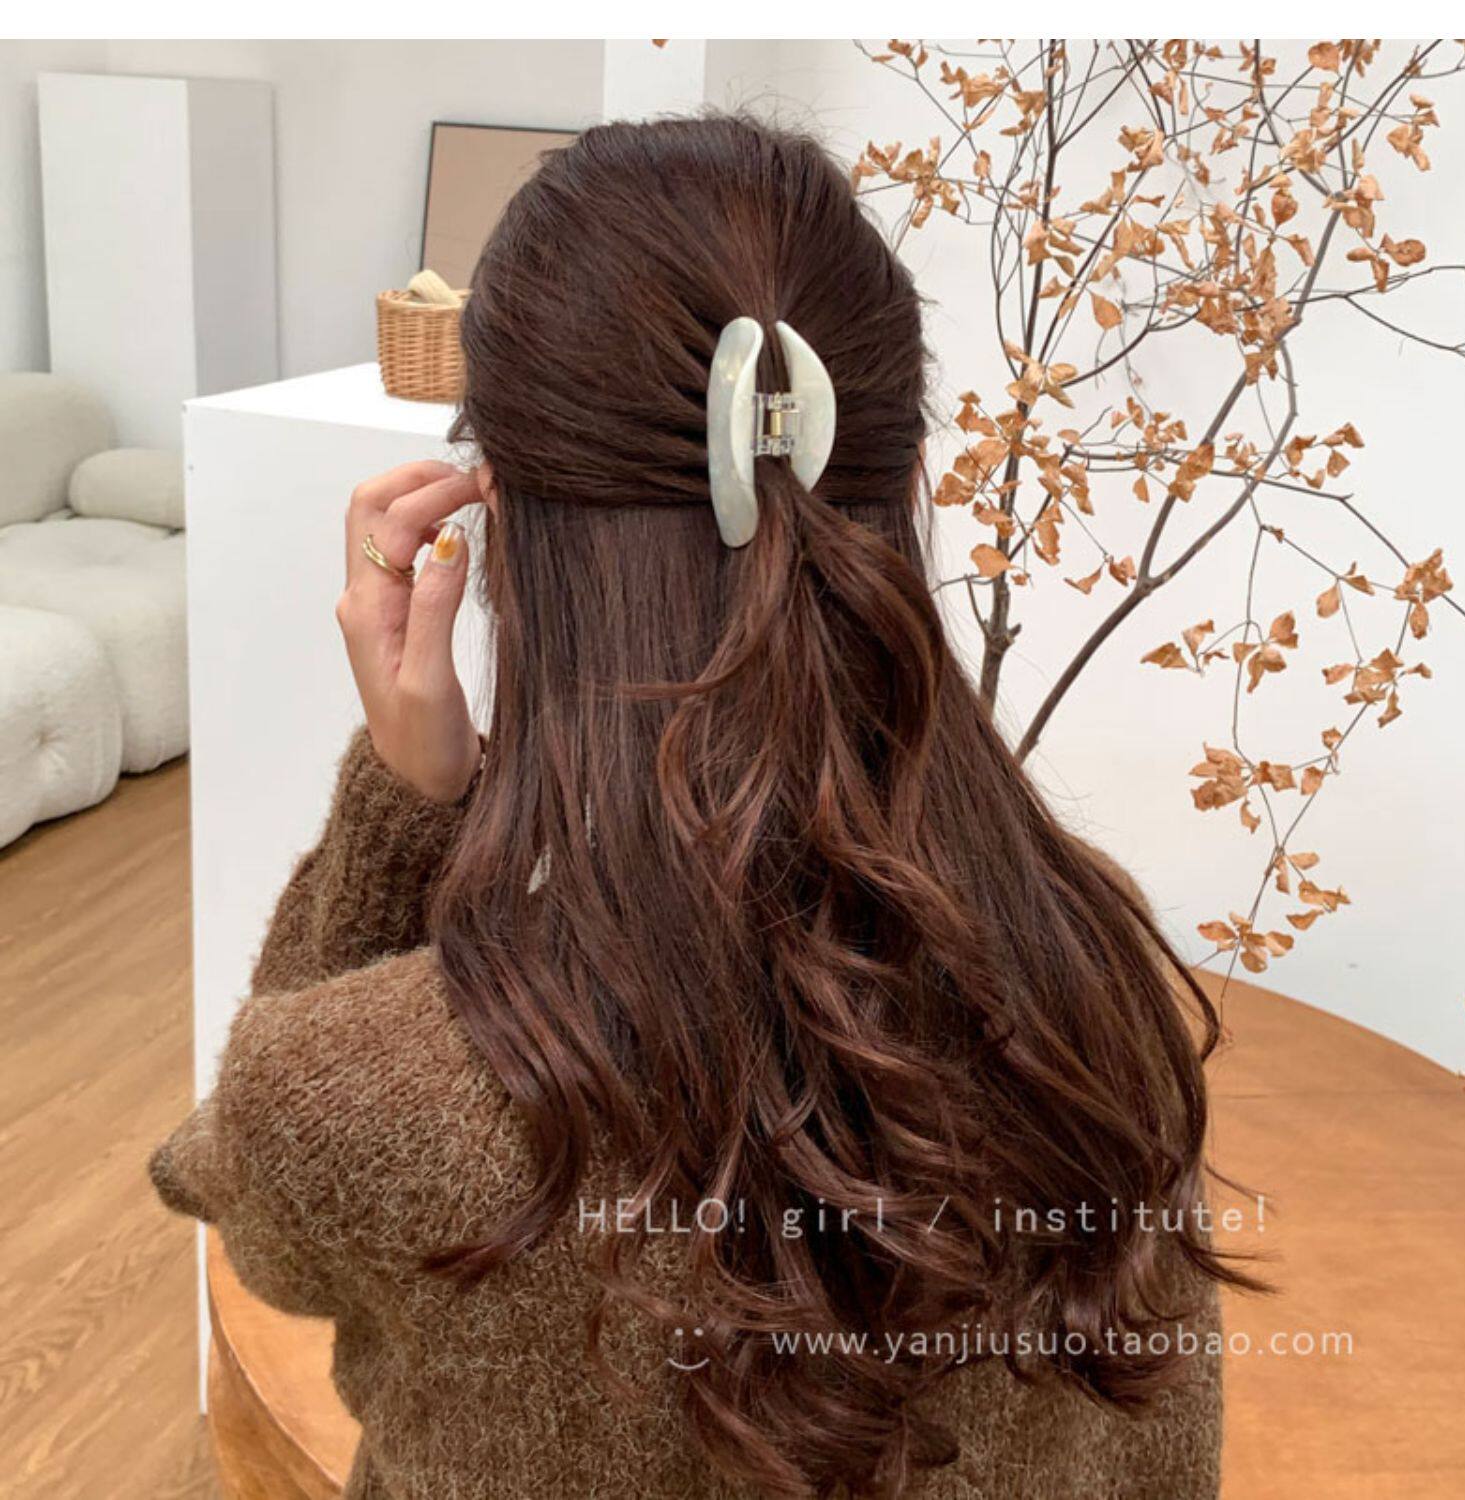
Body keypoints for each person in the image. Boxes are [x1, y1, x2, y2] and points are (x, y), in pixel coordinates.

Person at [151, 115, 1240, 1499]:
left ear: (501, 523)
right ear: (903, 481)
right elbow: (1162, 1452)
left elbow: (251, 1210)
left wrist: (408, 801)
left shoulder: (357, 1089)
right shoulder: (1089, 984)